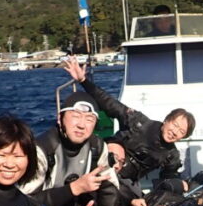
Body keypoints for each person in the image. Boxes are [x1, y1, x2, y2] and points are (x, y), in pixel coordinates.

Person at [61, 56, 195, 185]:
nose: (175, 132)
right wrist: (83, 80)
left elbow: (169, 178)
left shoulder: (171, 155)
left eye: (181, 132)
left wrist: (179, 184)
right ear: (166, 120)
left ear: (182, 138)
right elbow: (109, 103)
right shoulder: (138, 122)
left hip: (125, 182)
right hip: (104, 160)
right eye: (175, 125)